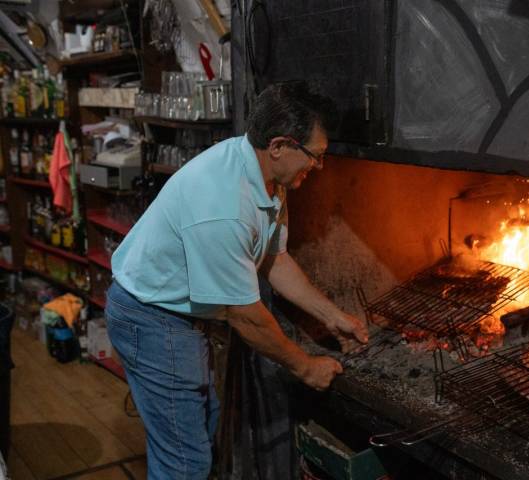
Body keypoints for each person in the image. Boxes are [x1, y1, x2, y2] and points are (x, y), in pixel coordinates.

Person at [105, 83, 369, 479]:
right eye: (315, 156)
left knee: (199, 427)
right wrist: (305, 367)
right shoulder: (225, 204)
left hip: (177, 318)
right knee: (185, 461)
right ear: (279, 145)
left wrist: (332, 316)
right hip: (151, 319)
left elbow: (274, 261)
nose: (317, 167)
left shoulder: (269, 179)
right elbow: (245, 316)